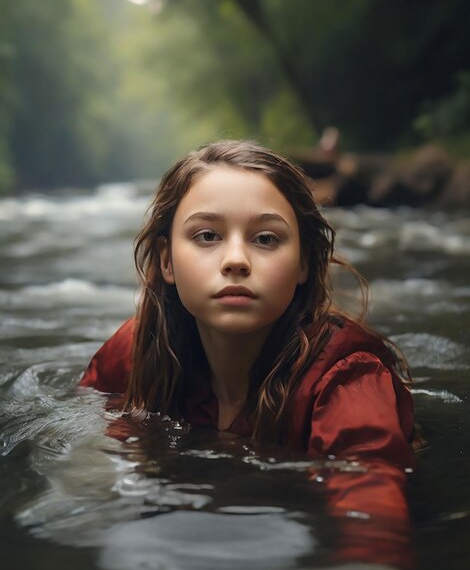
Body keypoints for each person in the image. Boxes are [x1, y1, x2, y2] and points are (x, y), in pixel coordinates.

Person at [79, 139, 416, 471]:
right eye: (208, 236)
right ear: (167, 261)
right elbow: (81, 456)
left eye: (266, 238)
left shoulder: (347, 381)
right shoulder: (136, 349)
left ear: (305, 263)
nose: (236, 260)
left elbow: (371, 509)